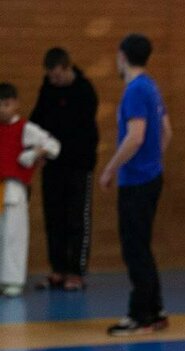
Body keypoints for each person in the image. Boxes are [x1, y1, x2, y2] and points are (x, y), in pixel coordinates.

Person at [99, 33, 172, 336]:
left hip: (136, 181)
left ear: (121, 56)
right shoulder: (151, 87)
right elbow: (167, 131)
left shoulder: (134, 90)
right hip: (150, 177)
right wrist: (154, 162)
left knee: (134, 249)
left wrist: (110, 169)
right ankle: (155, 310)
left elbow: (135, 136)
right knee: (141, 246)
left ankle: (141, 315)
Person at [29, 47, 99, 292]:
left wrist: (58, 148)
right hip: (53, 166)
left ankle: (76, 272)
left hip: (78, 165)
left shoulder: (84, 91)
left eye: (58, 76)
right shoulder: (47, 89)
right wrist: (37, 149)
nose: (55, 81)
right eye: (51, 77)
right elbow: (36, 122)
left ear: (68, 68)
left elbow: (81, 131)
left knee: (76, 219)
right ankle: (57, 269)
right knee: (54, 218)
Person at [0, 82, 60, 297]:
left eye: (6, 104)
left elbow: (54, 145)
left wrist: (36, 153)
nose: (2, 110)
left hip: (14, 188)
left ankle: (12, 280)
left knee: (14, 234)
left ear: (15, 104)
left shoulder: (25, 128)